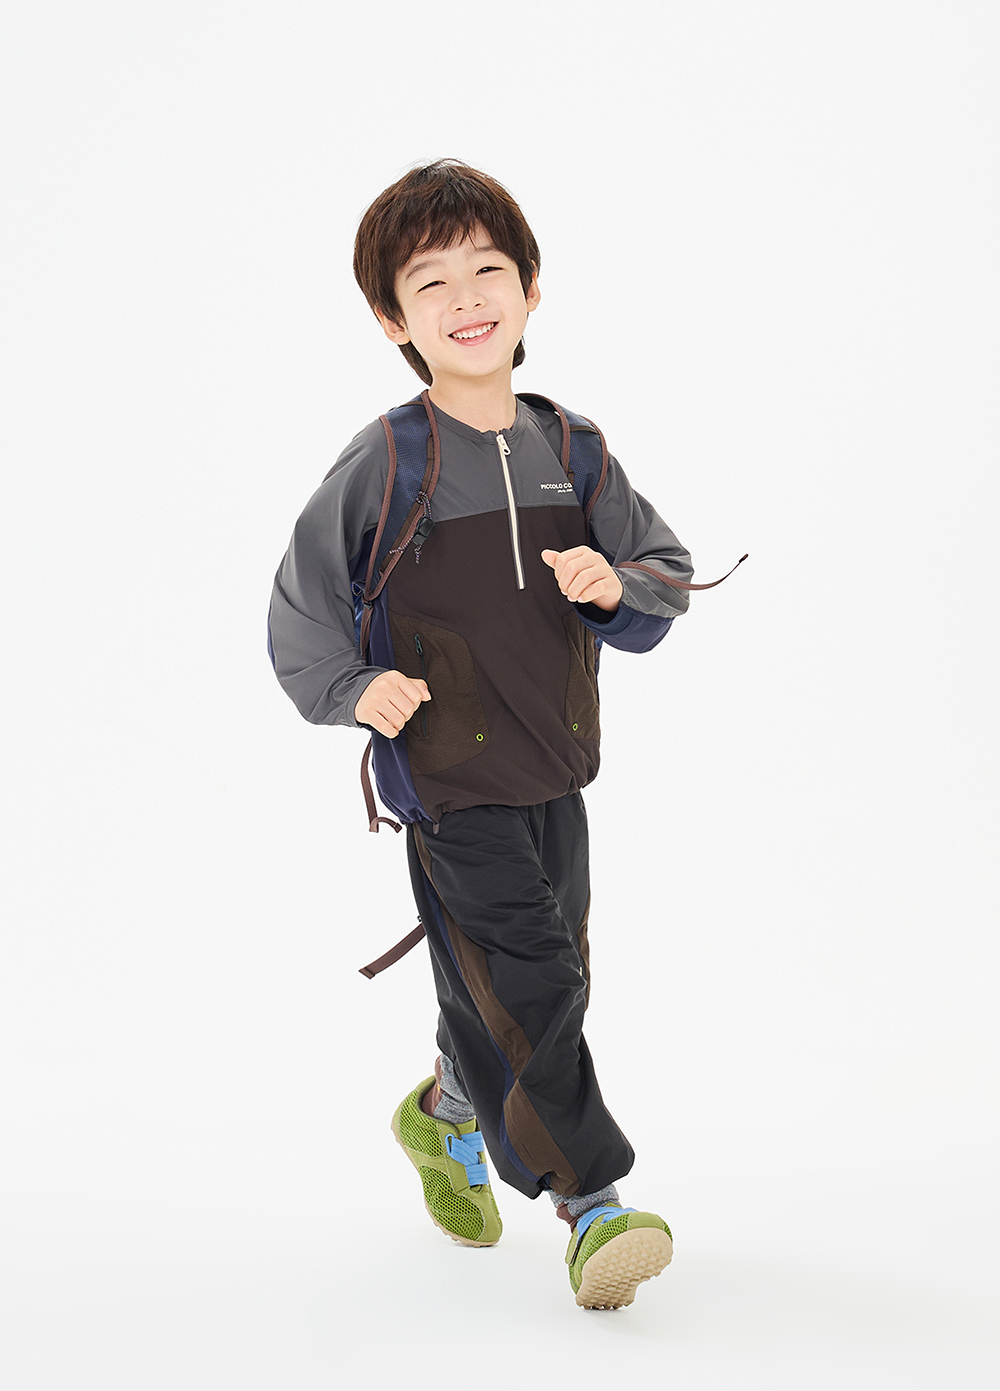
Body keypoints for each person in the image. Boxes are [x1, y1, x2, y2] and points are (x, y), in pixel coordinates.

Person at [267, 159, 693, 1309]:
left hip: (555, 765)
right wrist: (357, 687)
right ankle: (593, 1205)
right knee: (534, 979)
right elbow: (301, 609)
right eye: (430, 281)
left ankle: (446, 1108)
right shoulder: (387, 460)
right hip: (447, 783)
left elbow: (663, 570)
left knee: (542, 979)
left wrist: (615, 583)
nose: (466, 297)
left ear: (532, 288)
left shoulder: (573, 446)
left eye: (488, 269)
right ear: (391, 319)